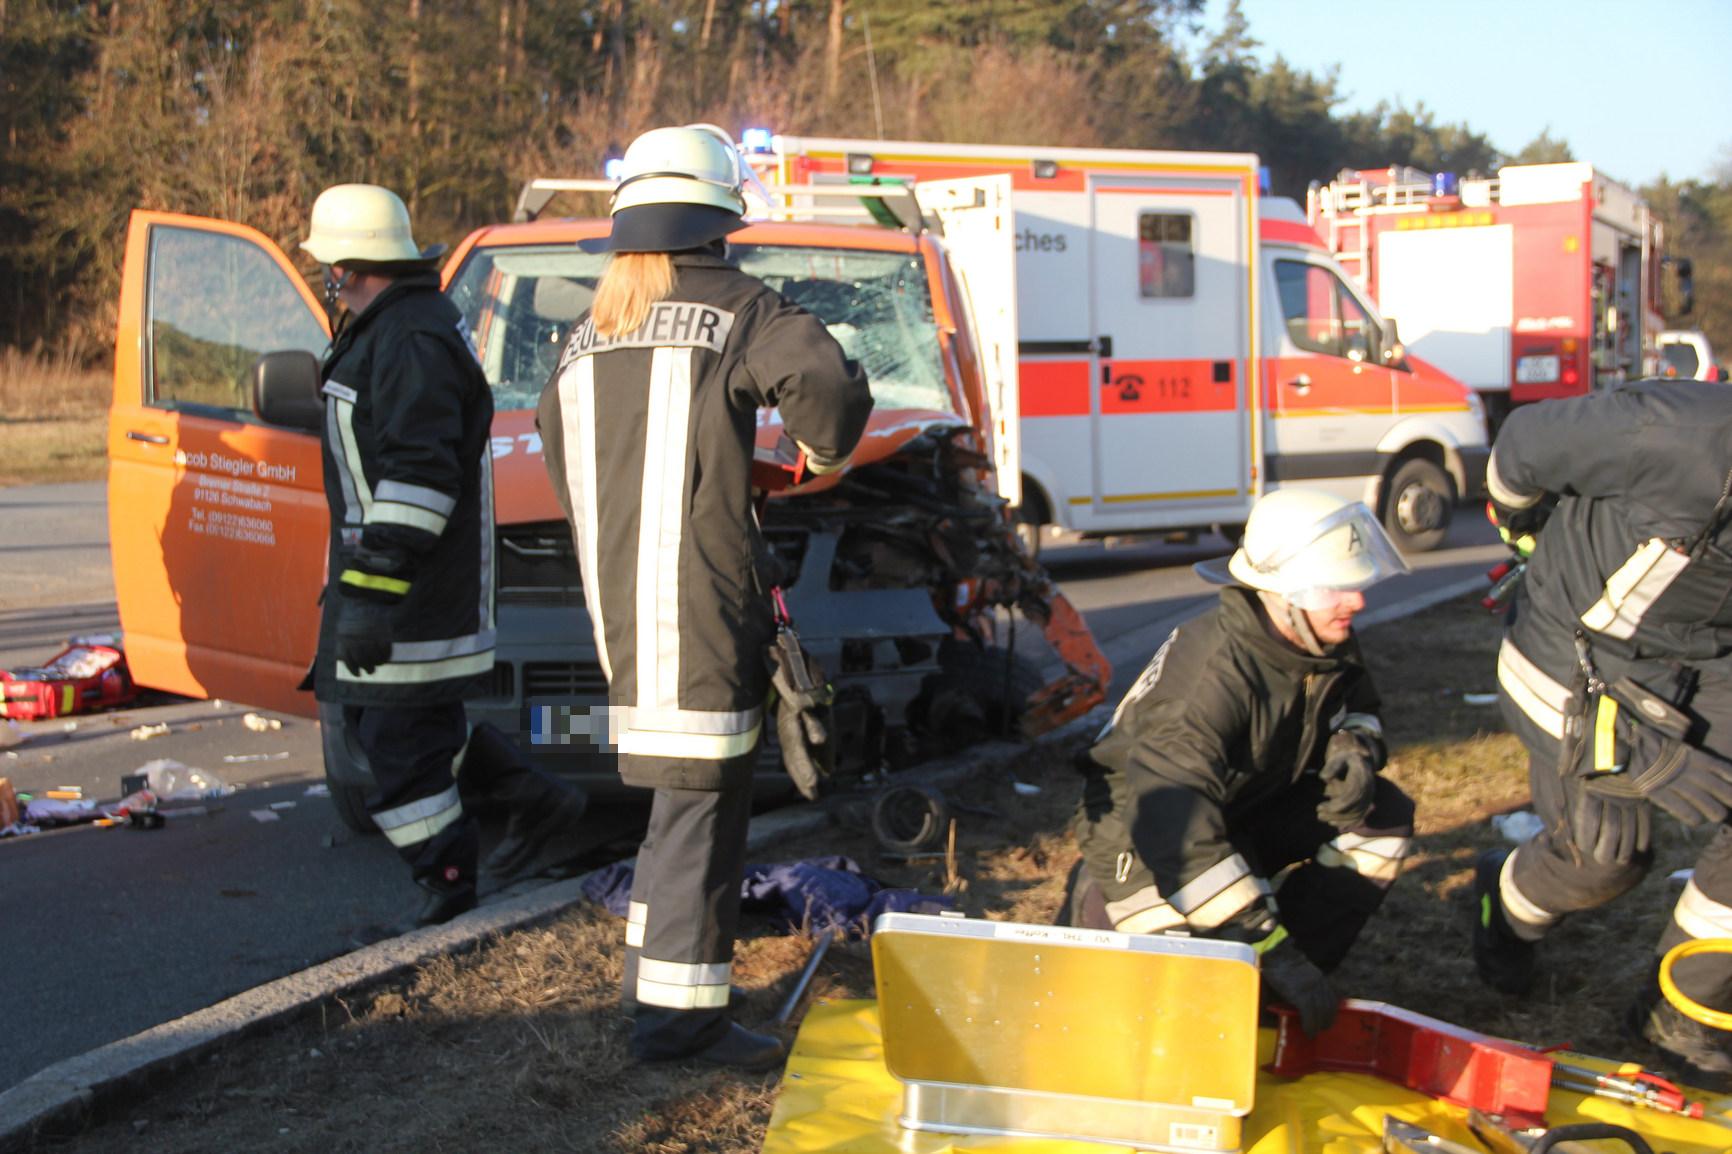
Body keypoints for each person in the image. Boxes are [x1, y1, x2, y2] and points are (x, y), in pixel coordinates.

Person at [537, 126, 873, 1069]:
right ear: (721, 219)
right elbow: (825, 388)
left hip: (622, 613)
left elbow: (581, 459)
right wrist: (823, 458)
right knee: (700, 814)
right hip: (703, 609)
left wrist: (724, 473)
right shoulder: (738, 306)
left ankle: (658, 986)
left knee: (671, 812)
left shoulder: (585, 332)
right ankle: (680, 1025)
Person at [300, 184, 587, 940]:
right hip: (400, 585)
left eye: (327, 268)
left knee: (396, 760)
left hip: (409, 595)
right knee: (417, 734)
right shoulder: (396, 328)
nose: (325, 281)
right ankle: (533, 797)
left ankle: (448, 884)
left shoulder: (409, 341)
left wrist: (369, 594)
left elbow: (417, 482)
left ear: (348, 268)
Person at [1061, 488, 1416, 1036]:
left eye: (1354, 583)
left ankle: (1271, 1001)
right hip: (1144, 832)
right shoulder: (1209, 680)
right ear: (1278, 593)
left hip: (1239, 810)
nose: (1356, 602)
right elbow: (1174, 826)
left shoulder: (1317, 634)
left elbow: (1359, 706)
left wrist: (1355, 746)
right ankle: (1103, 903)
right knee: (1174, 1015)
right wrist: (1269, 945)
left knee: (1380, 815)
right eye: (1333, 588)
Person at [1475, 379, 1732, 1084]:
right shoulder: (1675, 432)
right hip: (1571, 641)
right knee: (1606, 857)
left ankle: (1679, 1011)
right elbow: (1522, 445)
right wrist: (1521, 523)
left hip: (1704, 655)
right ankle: (1507, 905)